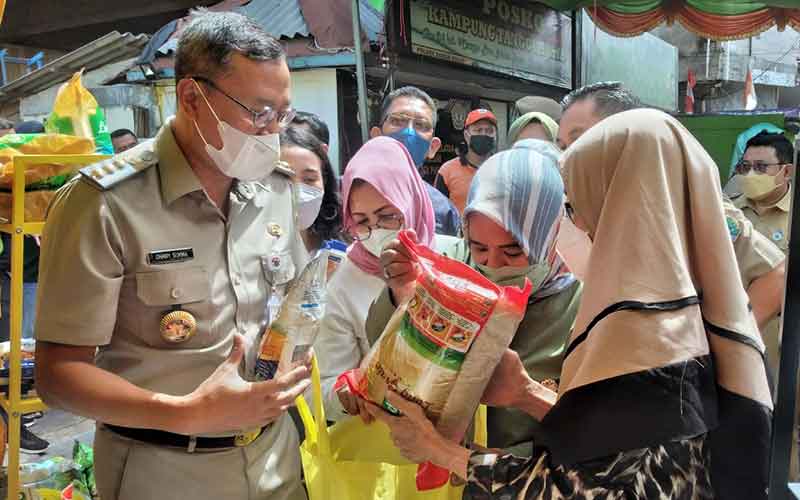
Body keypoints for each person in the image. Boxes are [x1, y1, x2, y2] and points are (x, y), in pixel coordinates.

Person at [370, 109, 773, 500]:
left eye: (578, 210)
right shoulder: (683, 313)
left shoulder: (647, 336)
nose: (573, 229)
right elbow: (613, 442)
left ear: (626, 211)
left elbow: (592, 488)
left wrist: (443, 453)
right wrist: (526, 392)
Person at [34, 11, 312, 500]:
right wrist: (186, 413)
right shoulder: (104, 203)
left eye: (282, 113)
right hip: (162, 470)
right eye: (258, 111)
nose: (272, 131)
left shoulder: (274, 189)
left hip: (275, 462)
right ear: (191, 96)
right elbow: (58, 378)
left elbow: (288, 308)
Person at [365, 139, 581, 455]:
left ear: (550, 235)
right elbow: (384, 351)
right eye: (478, 248)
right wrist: (402, 294)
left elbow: (597, 432)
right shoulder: (448, 268)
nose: (492, 265)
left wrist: (527, 395)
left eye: (513, 251)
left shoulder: (580, 307)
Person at [560, 82, 786, 349]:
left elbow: (776, 275)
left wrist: (724, 354)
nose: (568, 157)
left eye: (579, 142)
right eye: (562, 146)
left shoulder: (685, 204)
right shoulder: (576, 211)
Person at [315, 136, 457, 422]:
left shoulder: (452, 256)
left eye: (388, 216)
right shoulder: (343, 283)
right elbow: (326, 389)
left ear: (412, 202)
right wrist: (348, 392)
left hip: (452, 439)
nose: (377, 232)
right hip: (382, 450)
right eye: (362, 222)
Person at [370, 86, 461, 236]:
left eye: (420, 125)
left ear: (433, 147)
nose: (409, 133)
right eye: (398, 121)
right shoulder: (343, 195)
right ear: (376, 136)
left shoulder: (443, 212)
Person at [279, 126, 342, 255]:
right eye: (284, 177)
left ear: (324, 180)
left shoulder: (342, 248)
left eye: (309, 179)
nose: (297, 189)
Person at [733, 131, 794, 255]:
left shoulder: (794, 216)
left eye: (761, 167)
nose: (750, 174)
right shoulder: (730, 210)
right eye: (745, 166)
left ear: (786, 171)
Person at [435, 108, 497, 214]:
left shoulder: (505, 169)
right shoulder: (447, 171)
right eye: (478, 130)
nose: (484, 134)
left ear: (495, 136)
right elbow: (437, 213)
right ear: (466, 135)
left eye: (489, 131)